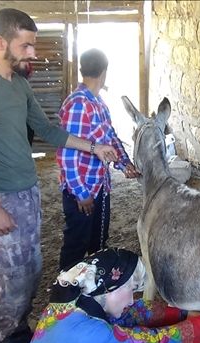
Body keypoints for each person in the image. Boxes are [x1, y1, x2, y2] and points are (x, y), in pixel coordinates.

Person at [0, 8, 119, 343]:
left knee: (31, 271)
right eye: (26, 46)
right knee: (11, 283)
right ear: (0, 43)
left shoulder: (18, 84)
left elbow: (48, 131)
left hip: (27, 194)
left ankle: (14, 334)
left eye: (34, 45)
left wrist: (94, 148)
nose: (33, 53)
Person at [22, 248, 200, 343]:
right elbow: (155, 342)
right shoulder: (90, 334)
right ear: (110, 289)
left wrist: (183, 314)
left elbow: (136, 311)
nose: (132, 300)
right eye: (131, 289)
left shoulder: (77, 300)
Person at [56, 48, 138, 271]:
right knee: (76, 246)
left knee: (98, 243)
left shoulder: (97, 103)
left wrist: (124, 163)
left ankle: (91, 294)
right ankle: (64, 300)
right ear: (104, 72)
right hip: (82, 192)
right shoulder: (79, 104)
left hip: (99, 185)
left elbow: (109, 137)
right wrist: (81, 194)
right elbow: (66, 153)